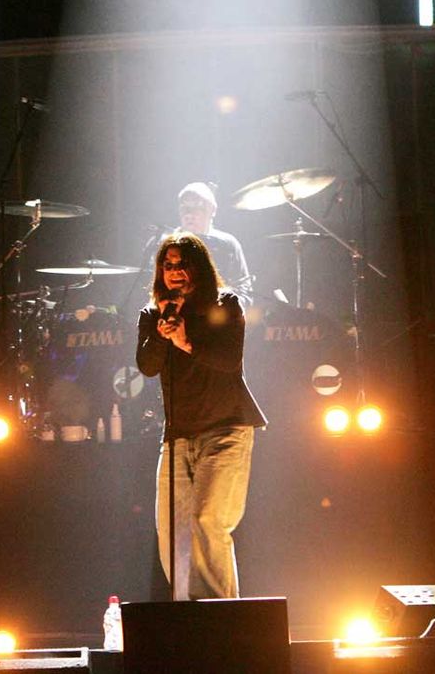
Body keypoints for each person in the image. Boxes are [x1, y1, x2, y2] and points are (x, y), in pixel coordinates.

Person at [135, 232, 266, 599]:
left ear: (199, 268)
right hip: (177, 434)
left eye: (182, 264)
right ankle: (187, 616)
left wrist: (185, 340)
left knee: (208, 521)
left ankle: (220, 620)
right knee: (172, 529)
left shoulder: (225, 305)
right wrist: (163, 334)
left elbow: (229, 361)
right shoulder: (153, 313)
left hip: (226, 428)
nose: (174, 271)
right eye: (168, 265)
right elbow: (147, 366)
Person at [174, 182, 254, 309]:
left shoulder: (228, 244)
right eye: (184, 207)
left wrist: (225, 307)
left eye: (197, 206)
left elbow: (244, 292)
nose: (189, 213)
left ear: (212, 210)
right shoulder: (166, 243)